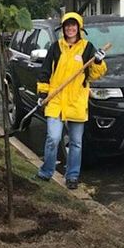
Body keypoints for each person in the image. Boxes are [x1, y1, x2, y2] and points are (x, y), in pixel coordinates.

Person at [35, 12, 107, 190]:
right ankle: (46, 171)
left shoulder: (87, 48)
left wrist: (98, 62)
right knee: (53, 137)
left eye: (73, 25)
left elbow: (95, 75)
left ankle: (72, 176)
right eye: (67, 25)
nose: (70, 28)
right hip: (56, 99)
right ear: (63, 28)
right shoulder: (55, 47)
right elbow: (45, 72)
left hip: (76, 100)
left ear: (79, 28)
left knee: (76, 142)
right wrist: (43, 93)